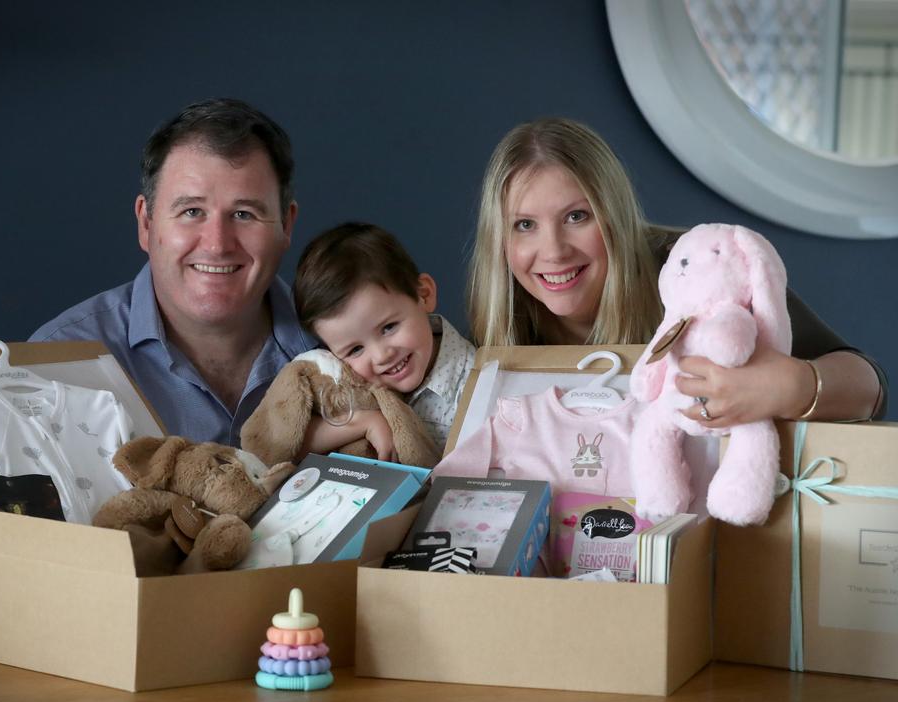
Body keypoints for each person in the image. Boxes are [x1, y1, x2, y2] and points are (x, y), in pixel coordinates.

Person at [0, 98, 315, 634]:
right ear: (146, 222)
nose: (217, 242)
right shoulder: (59, 363)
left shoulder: (347, 350)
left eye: (244, 213)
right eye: (190, 211)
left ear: (285, 224)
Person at [466, 117, 887, 425]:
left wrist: (792, 387)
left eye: (577, 217)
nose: (553, 251)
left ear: (614, 215)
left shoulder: (696, 266)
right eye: (525, 225)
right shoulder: (503, 320)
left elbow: (869, 387)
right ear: (500, 241)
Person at [292, 222, 476, 460]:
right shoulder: (339, 378)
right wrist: (365, 423)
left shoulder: (479, 389)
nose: (381, 356)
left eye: (389, 327)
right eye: (356, 349)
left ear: (424, 295)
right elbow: (287, 443)